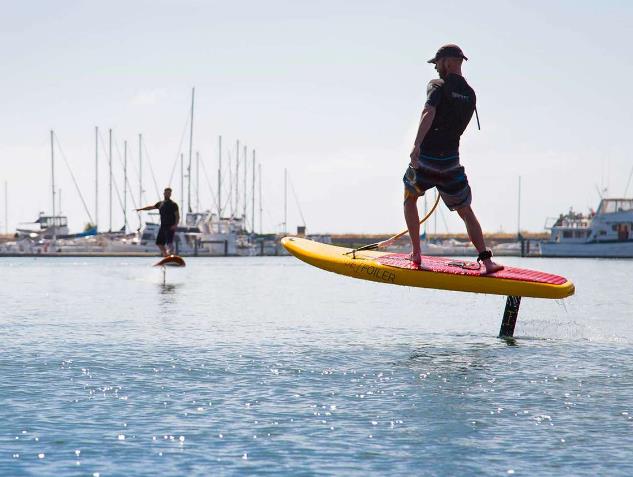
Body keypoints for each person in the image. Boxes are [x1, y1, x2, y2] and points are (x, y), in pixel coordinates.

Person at [403, 44, 503, 274]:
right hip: (450, 162)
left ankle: (416, 253)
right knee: (466, 210)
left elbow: (429, 113)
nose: (436, 68)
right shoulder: (470, 95)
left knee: (410, 198)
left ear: (447, 62)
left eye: (437, 63)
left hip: (427, 158)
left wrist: (417, 145)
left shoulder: (437, 85)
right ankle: (487, 262)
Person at [136, 187, 180, 257]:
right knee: (159, 243)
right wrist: (141, 209)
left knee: (169, 242)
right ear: (164, 193)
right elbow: (151, 207)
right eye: (166, 193)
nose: (167, 194)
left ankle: (171, 254)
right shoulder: (160, 204)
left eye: (169, 193)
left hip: (170, 226)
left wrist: (175, 225)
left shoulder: (173, 204)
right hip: (163, 226)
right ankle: (166, 255)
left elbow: (177, 216)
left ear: (170, 194)